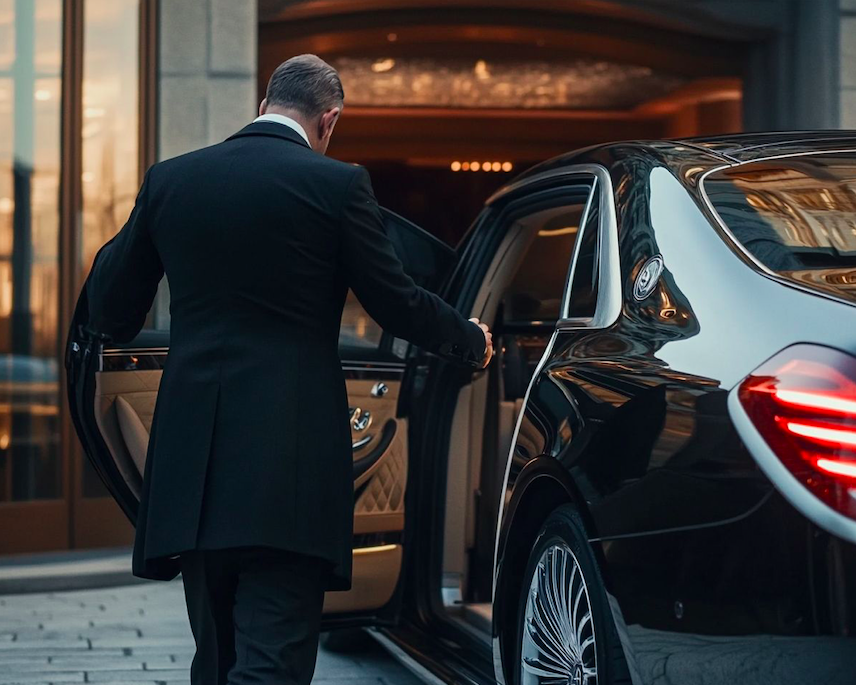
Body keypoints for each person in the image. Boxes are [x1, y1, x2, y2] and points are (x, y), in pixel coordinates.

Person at [85, 54, 493, 684]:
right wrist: (469, 337)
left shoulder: (172, 180)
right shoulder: (337, 185)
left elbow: (110, 311)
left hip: (192, 470)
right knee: (273, 660)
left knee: (216, 659)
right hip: (289, 465)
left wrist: (152, 214)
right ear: (328, 120)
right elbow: (396, 301)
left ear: (262, 104)